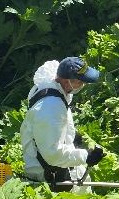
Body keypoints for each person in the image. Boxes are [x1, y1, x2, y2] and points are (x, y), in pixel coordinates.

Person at [20, 56, 105, 191]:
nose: (83, 85)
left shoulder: (52, 83)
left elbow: (50, 129)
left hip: (55, 164)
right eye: (80, 82)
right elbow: (52, 154)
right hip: (49, 176)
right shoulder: (50, 108)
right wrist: (86, 156)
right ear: (67, 81)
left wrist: (69, 135)